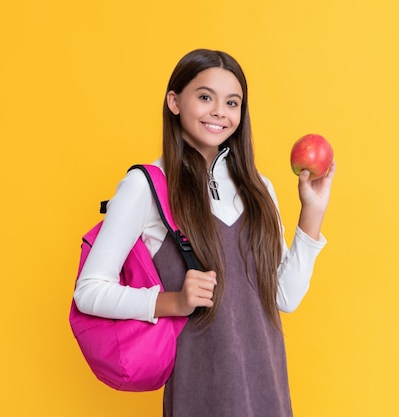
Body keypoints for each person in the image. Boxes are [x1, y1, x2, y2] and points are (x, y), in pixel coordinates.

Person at [74, 48, 335, 417]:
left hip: (266, 389)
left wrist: (313, 211)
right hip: (201, 390)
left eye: (232, 102)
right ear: (174, 101)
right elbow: (89, 291)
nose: (219, 112)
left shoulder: (259, 187)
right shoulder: (146, 186)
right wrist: (173, 302)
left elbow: (284, 297)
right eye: (205, 97)